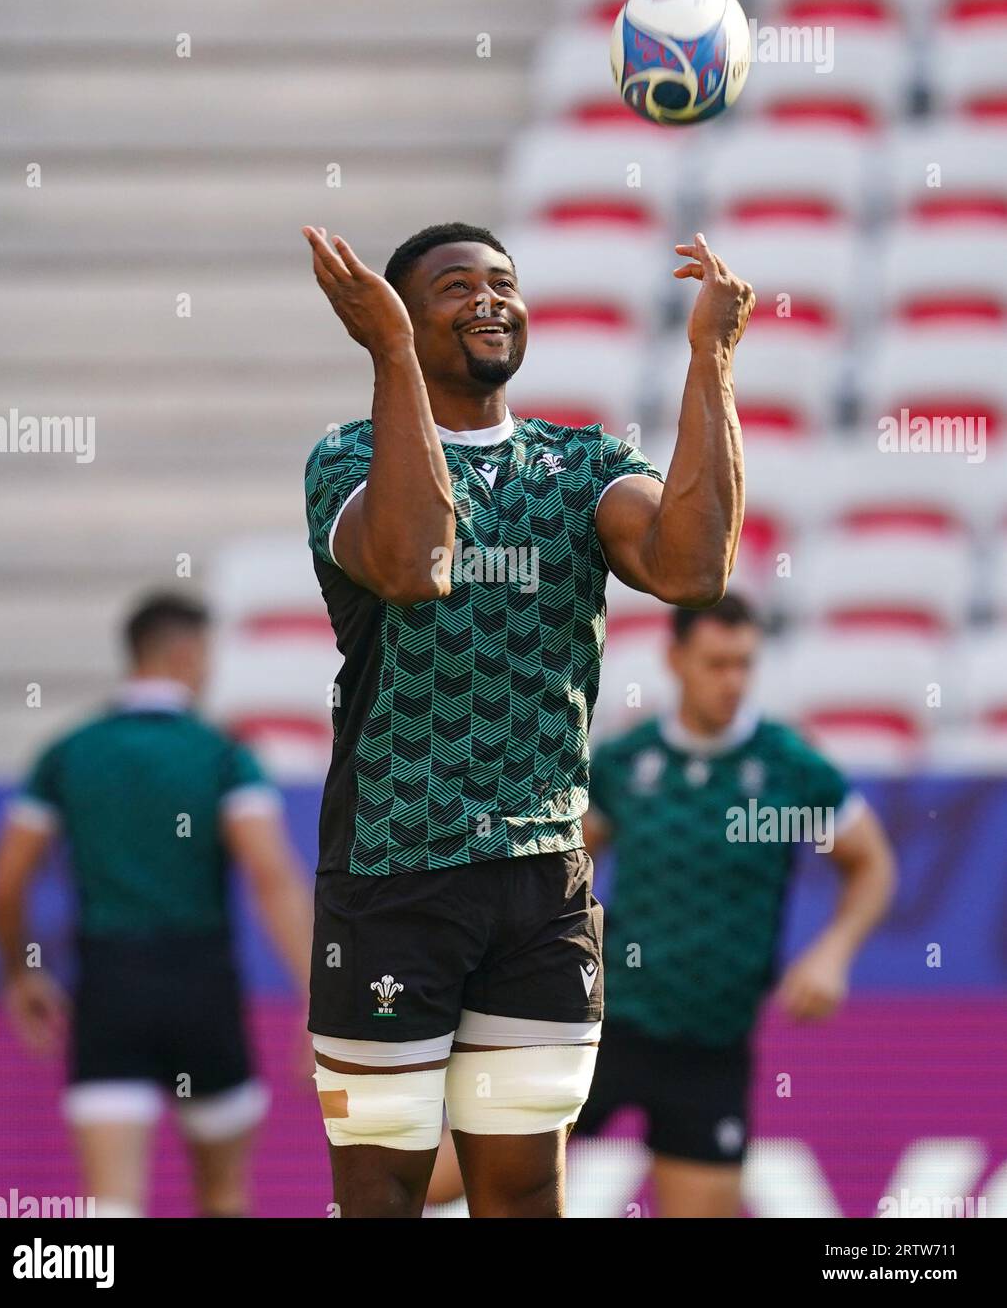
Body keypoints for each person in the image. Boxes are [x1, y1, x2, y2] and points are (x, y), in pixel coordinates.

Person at [301, 219, 755, 1217]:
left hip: (541, 887)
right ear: (403, 322)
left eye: (503, 282)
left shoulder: (581, 461)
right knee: (382, 1198)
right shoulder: (342, 462)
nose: (489, 300)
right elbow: (416, 563)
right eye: (455, 287)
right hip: (392, 878)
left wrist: (711, 357)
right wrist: (386, 357)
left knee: (524, 1197)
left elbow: (692, 567)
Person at [0, 592, 314, 1218]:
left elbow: (4, 883)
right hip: (204, 993)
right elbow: (271, 876)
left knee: (111, 1211)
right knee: (222, 1198)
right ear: (186, 653)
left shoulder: (68, 753)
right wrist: (312, 991)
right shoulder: (221, 756)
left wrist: (19, 971)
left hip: (109, 993)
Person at [573, 592, 897, 1217]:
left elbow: (873, 864)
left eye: (744, 664)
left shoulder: (785, 771)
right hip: (603, 1028)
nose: (732, 681)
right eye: (716, 663)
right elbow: (563, 870)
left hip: (711, 1046)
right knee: (479, 1177)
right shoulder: (627, 763)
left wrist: (833, 953)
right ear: (675, 658)